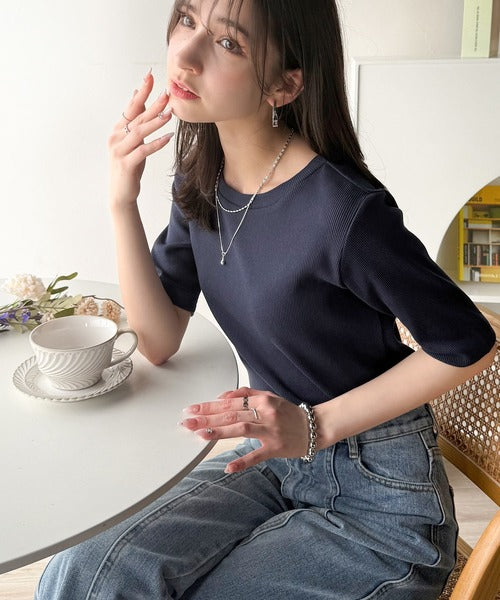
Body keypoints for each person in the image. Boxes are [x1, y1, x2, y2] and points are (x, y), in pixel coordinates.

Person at [36, 1, 497, 598]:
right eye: (187, 19)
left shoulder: (344, 213)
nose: (186, 54)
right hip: (276, 463)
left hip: (383, 502)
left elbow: (468, 342)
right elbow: (157, 339)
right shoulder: (201, 178)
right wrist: (121, 201)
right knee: (83, 574)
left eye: (229, 43)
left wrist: (315, 425)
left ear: (284, 85)